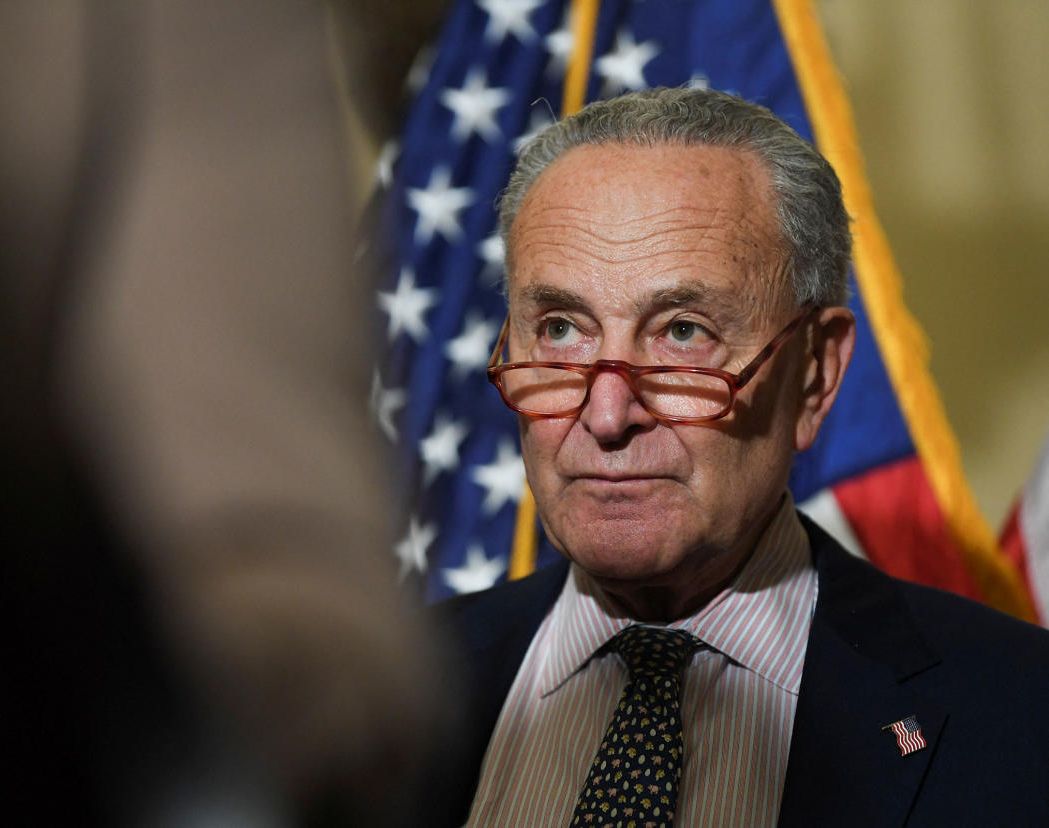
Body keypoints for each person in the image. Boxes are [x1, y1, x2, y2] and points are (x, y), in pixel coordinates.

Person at [432, 87, 1049, 827]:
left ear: (814, 374)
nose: (604, 415)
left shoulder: (1023, 717)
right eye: (561, 329)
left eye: (684, 333)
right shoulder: (374, 695)